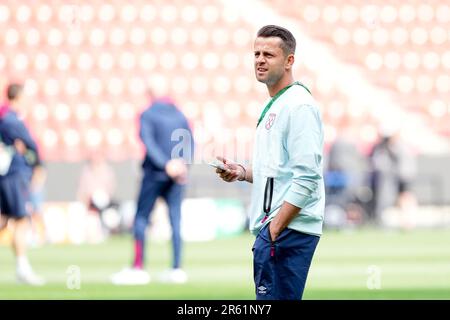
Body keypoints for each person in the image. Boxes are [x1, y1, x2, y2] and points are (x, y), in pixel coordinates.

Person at [214, 25, 325, 300]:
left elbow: (308, 177)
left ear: (289, 61)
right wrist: (242, 172)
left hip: (287, 229)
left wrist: (275, 228)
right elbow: (280, 174)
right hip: (278, 229)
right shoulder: (279, 104)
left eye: (269, 54)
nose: (260, 60)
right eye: (256, 53)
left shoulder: (299, 106)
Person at [111, 90, 194, 285]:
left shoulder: (147, 114)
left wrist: (165, 164)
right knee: (175, 220)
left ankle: (139, 267)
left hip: (154, 173)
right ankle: (176, 268)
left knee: (141, 218)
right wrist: (182, 165)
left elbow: (147, 142)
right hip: (176, 175)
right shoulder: (179, 114)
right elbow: (190, 141)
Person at [0, 83, 45, 285]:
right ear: (18, 96)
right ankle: (22, 268)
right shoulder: (11, 119)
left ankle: (23, 267)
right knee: (20, 220)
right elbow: (31, 144)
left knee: (8, 220)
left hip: (9, 174)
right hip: (13, 176)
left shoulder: (7, 118)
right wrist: (38, 164)